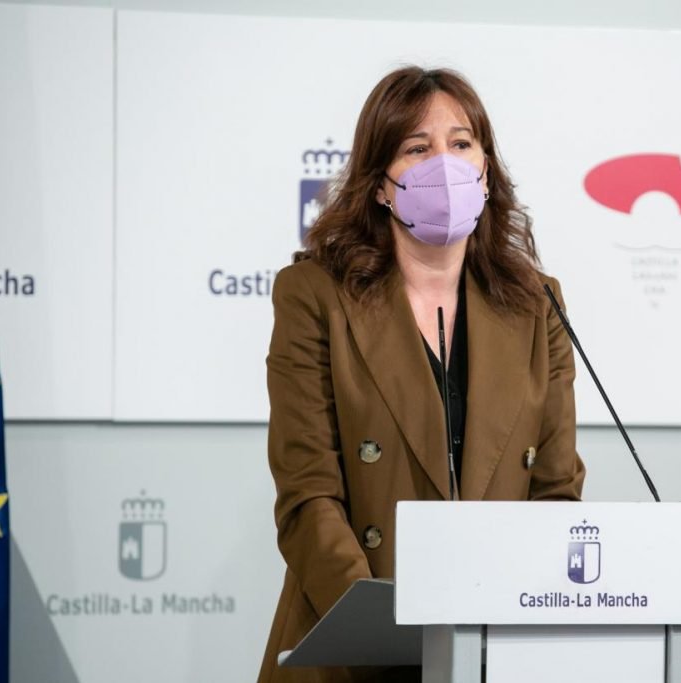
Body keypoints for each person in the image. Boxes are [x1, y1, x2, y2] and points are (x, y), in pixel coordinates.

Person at [257, 66, 586, 683]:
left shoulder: (538, 303)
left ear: (486, 168)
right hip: (352, 646)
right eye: (416, 148)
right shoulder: (314, 294)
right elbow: (307, 496)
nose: (445, 164)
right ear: (379, 182)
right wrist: (382, 629)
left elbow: (555, 494)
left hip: (490, 649)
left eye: (461, 143)